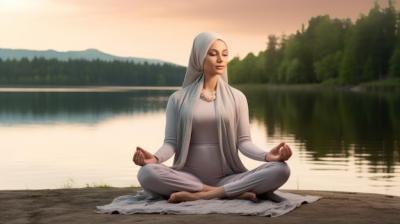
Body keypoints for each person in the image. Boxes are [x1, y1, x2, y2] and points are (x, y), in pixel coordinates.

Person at [133, 31, 292, 204]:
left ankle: (204, 195)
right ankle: (232, 193)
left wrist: (268, 156)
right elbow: (171, 143)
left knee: (280, 169)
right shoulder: (178, 99)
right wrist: (154, 159)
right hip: (187, 178)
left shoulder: (237, 97)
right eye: (213, 53)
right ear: (199, 57)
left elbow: (244, 142)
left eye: (224, 54)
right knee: (146, 172)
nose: (220, 59)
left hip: (229, 178)